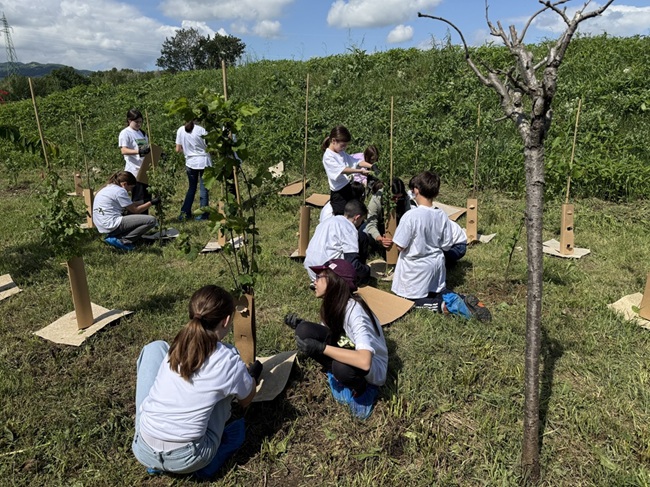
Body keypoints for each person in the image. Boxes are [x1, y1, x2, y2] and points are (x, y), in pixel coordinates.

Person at [132, 285, 262, 479]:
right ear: (226, 321)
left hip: (143, 449)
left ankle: (157, 458)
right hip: (189, 458)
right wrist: (250, 378)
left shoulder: (177, 346)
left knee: (155, 348)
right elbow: (245, 400)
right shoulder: (228, 360)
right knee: (227, 387)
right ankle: (209, 463)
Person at [285, 259, 387, 420]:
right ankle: (338, 374)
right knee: (304, 331)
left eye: (319, 277)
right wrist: (301, 324)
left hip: (372, 368)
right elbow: (329, 332)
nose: (314, 282)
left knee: (342, 368)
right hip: (348, 346)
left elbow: (365, 361)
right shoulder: (334, 303)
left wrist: (321, 348)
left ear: (334, 282)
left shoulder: (355, 312)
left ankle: (362, 389)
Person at [391, 171, 491, 322]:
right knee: (435, 292)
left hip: (415, 268)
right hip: (436, 266)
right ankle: (461, 299)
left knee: (407, 301)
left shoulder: (411, 216)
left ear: (416, 190)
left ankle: (447, 307)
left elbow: (400, 245)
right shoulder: (442, 215)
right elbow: (446, 244)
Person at [304, 199, 370, 285]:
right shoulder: (349, 227)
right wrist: (366, 270)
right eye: (361, 220)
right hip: (329, 275)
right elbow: (353, 263)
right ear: (357, 218)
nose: (361, 223)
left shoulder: (326, 222)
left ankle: (319, 282)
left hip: (312, 272)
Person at [93, 171, 158, 251]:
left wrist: (145, 201)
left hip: (101, 224)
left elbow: (130, 204)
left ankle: (116, 236)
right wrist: (151, 203)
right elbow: (135, 210)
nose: (130, 191)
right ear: (124, 184)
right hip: (111, 224)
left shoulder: (107, 188)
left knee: (129, 214)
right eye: (131, 187)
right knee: (151, 220)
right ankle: (123, 240)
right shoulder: (120, 191)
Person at [321, 126, 372, 215]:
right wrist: (360, 171)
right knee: (342, 216)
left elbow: (356, 162)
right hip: (338, 194)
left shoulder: (341, 153)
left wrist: (372, 166)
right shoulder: (328, 157)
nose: (344, 148)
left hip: (347, 187)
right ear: (334, 141)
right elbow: (342, 170)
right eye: (343, 145)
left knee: (353, 212)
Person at [176, 120, 212, 221]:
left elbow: (178, 149)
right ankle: (203, 214)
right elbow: (210, 147)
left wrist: (188, 151)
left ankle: (184, 213)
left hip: (190, 162)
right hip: (204, 161)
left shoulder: (180, 130)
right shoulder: (201, 130)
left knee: (191, 188)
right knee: (204, 189)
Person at [365, 177, 411, 253]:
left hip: (398, 227)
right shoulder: (376, 199)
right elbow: (371, 223)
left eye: (399, 198)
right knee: (364, 232)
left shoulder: (405, 198)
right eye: (394, 197)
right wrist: (379, 238)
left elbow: (408, 218)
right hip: (380, 226)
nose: (396, 200)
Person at [118, 109, 151, 204]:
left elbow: (146, 149)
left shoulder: (142, 133)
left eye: (140, 122)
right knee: (138, 198)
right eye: (136, 122)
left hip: (144, 169)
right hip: (134, 171)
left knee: (146, 198)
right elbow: (124, 150)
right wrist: (138, 151)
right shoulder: (125, 133)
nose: (139, 124)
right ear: (129, 120)